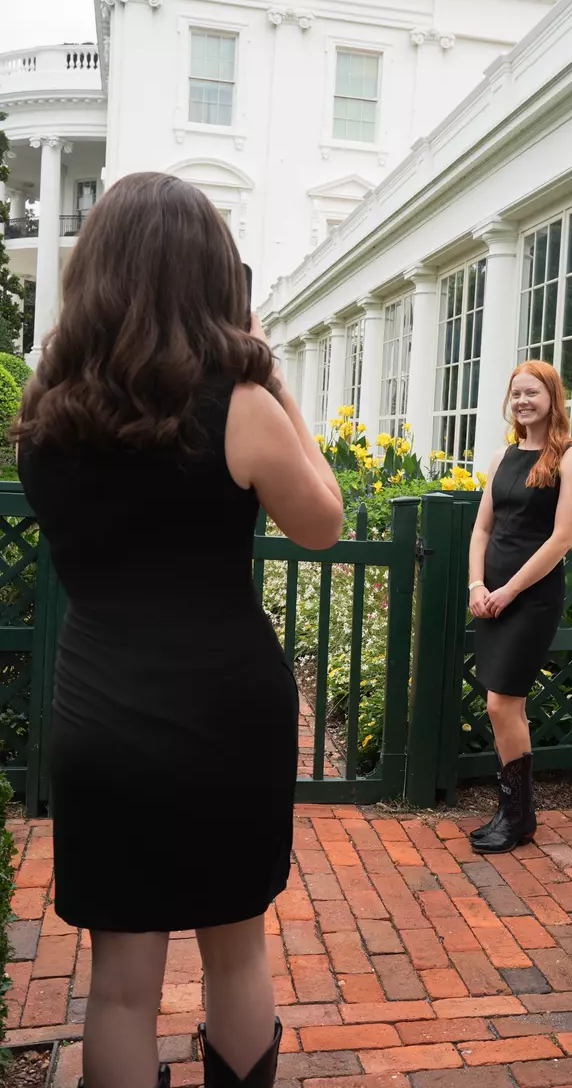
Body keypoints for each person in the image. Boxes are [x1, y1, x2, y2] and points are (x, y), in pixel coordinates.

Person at [14, 172, 343, 1088]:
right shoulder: (236, 407)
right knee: (235, 952)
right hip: (225, 712)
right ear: (207, 279)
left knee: (120, 984)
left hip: (100, 711)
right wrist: (271, 379)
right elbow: (324, 521)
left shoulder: (47, 420)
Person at [467, 360, 572, 855]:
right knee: (500, 704)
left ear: (553, 397)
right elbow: (482, 529)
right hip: (491, 595)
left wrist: (509, 591)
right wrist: (477, 583)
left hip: (531, 596)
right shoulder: (502, 456)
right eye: (515, 393)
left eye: (532, 392)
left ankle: (517, 815)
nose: (522, 401)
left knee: (503, 702)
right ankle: (515, 813)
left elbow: (562, 538)